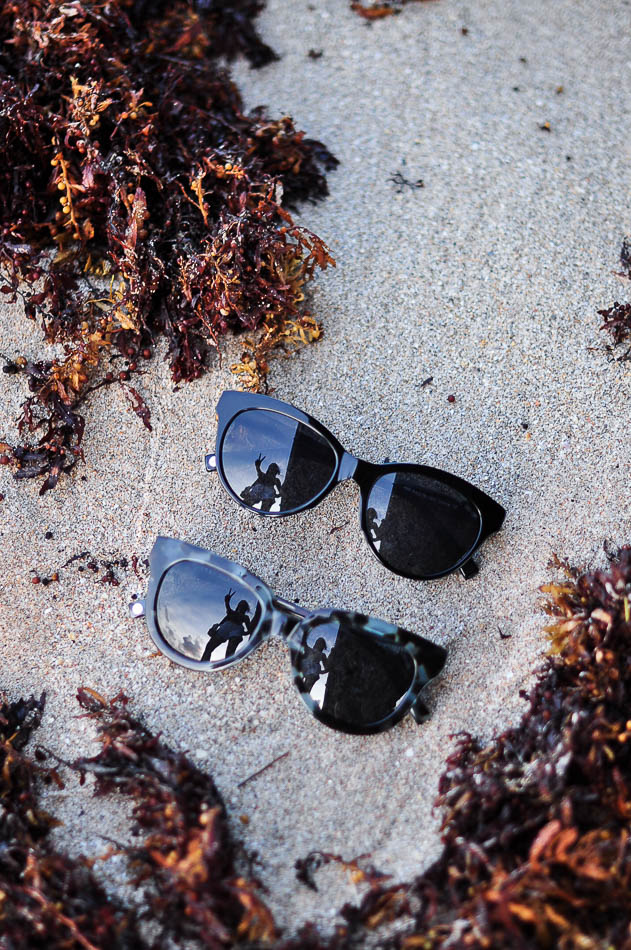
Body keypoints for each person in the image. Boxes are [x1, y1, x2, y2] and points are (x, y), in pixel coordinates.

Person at [201, 588, 253, 662]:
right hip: (226, 630)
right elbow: (227, 611)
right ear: (238, 606)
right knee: (209, 649)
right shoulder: (233, 613)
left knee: (229, 654)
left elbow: (249, 630)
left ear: (245, 609)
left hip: (234, 631)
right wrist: (227, 601)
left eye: (243, 606)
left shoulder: (244, 617)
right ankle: (204, 663)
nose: (241, 607)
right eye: (241, 605)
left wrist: (242, 633)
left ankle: (227, 665)